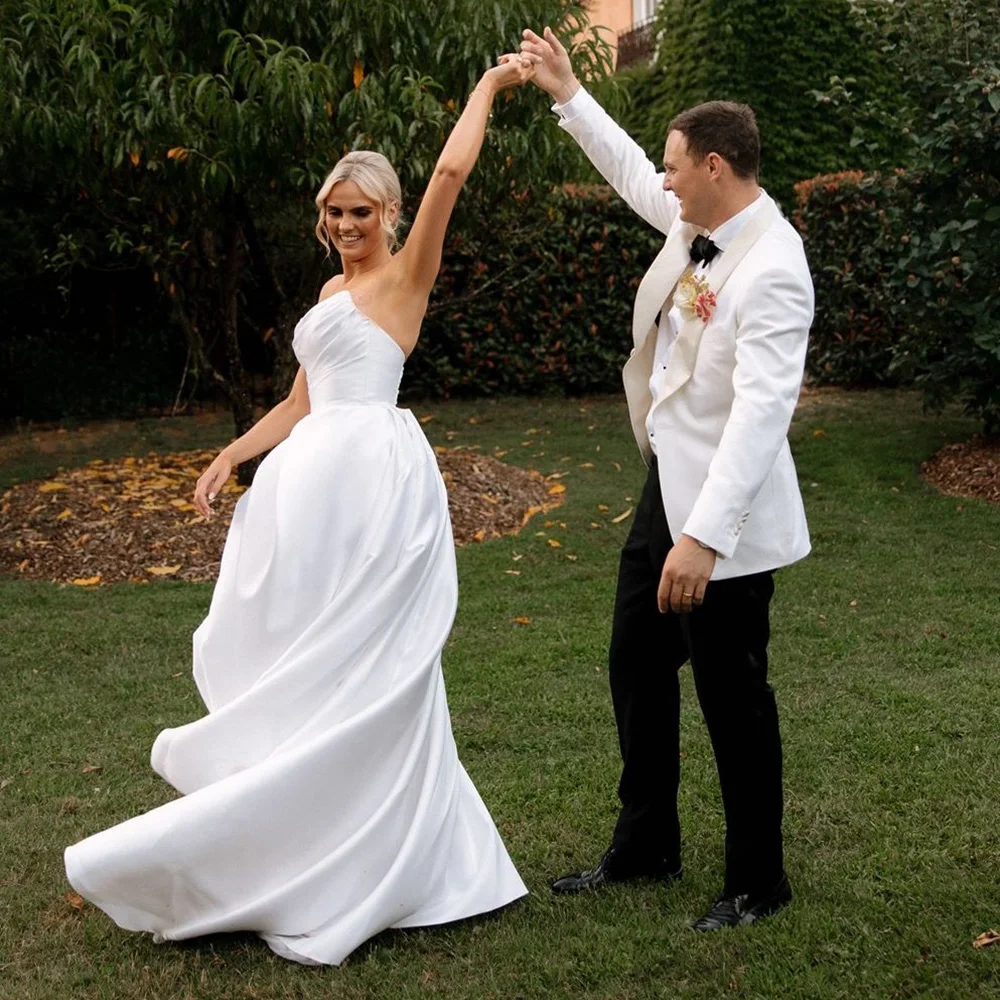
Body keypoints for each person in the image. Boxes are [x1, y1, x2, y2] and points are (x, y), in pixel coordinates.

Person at [64, 53, 535, 967]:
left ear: (390, 214)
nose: (347, 224)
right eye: (334, 211)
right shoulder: (328, 294)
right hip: (304, 489)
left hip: (371, 488)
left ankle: (384, 852)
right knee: (300, 653)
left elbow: (448, 173)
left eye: (362, 211)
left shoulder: (406, 280)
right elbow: (301, 399)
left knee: (370, 660)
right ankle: (295, 821)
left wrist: (487, 90)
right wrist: (233, 453)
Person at [520, 27, 814, 930]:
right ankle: (647, 844)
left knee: (733, 696)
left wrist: (703, 538)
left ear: (717, 166)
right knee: (637, 667)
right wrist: (569, 93)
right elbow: (625, 171)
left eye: (677, 164)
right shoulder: (699, 223)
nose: (666, 177)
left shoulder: (774, 267)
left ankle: (759, 880)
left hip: (725, 513)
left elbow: (762, 418)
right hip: (663, 490)